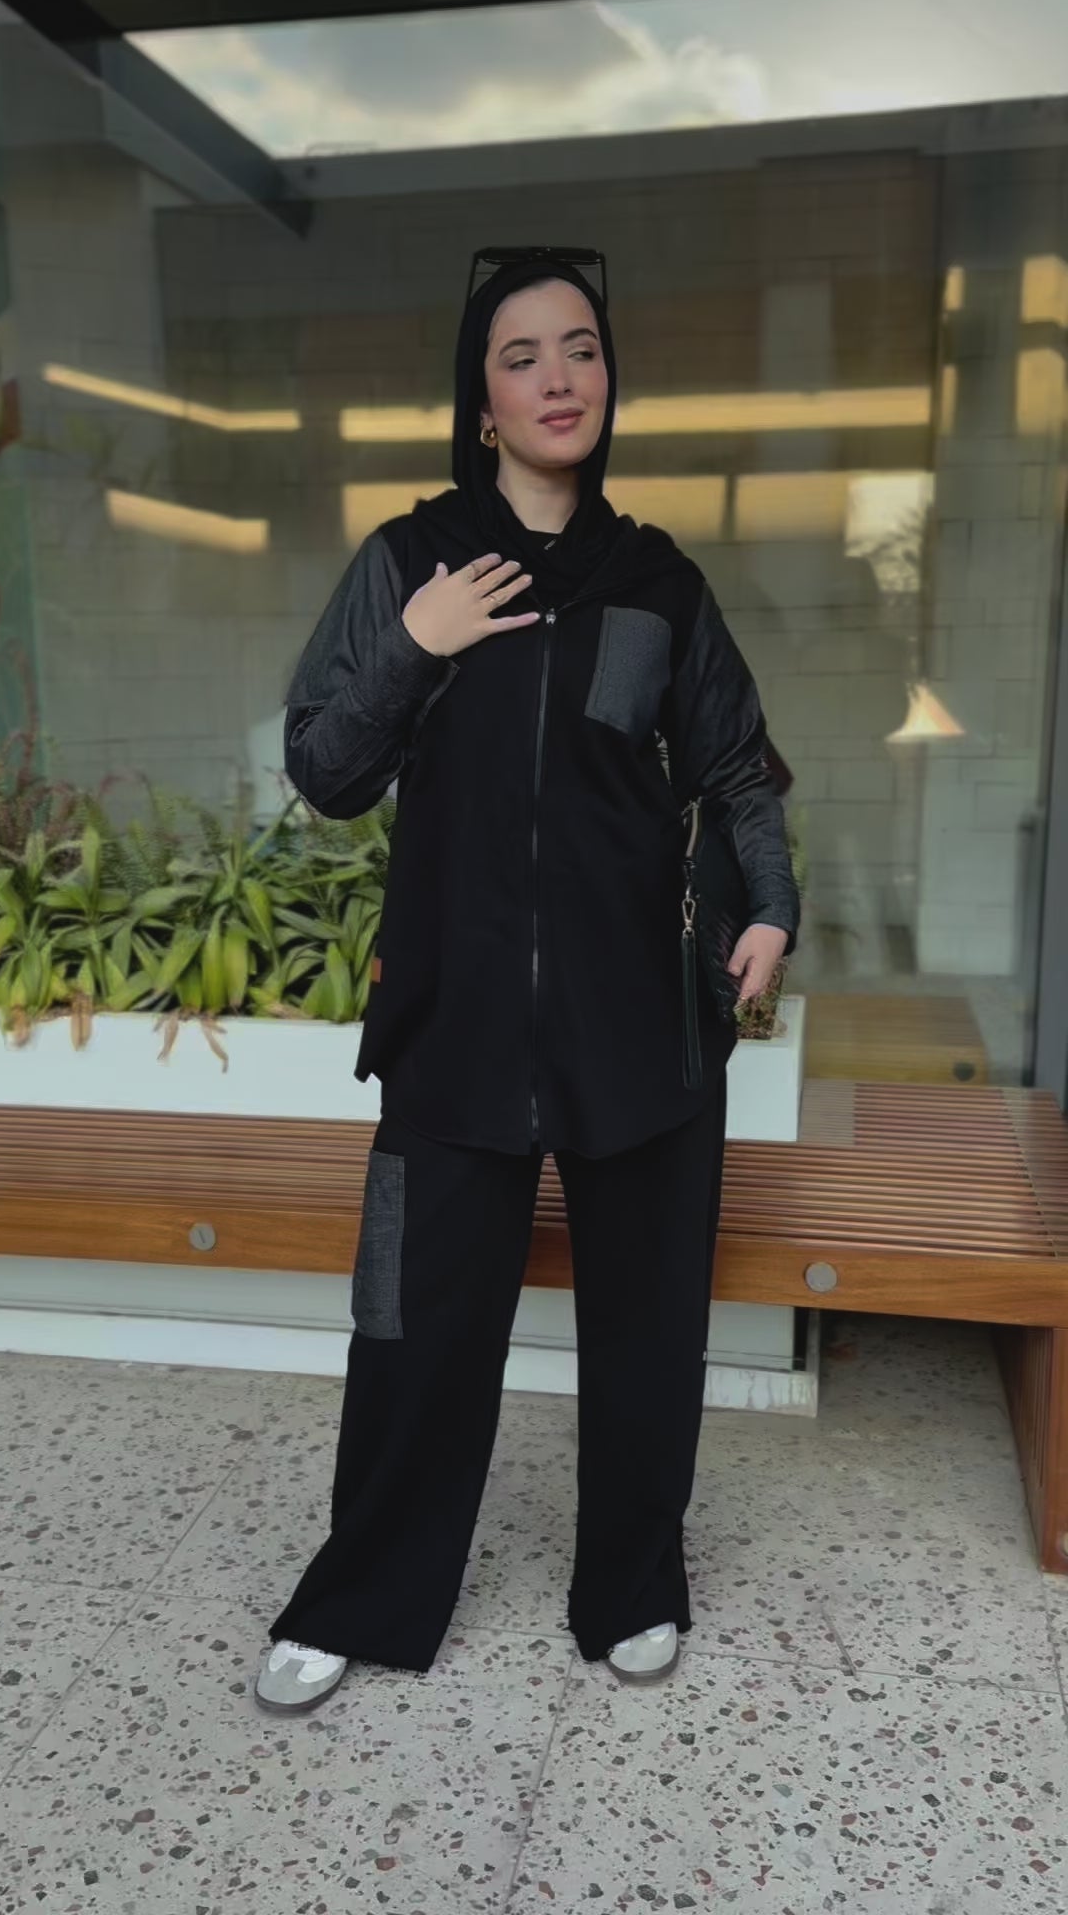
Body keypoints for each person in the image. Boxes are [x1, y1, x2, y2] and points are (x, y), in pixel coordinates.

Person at [254, 247, 799, 1715]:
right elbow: (323, 771)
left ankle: (633, 1584)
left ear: (610, 380)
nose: (559, 378)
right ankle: (362, 1594)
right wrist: (412, 650)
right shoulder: (410, 561)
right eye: (521, 356)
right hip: (454, 1021)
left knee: (647, 1332)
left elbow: (737, 769)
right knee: (411, 1331)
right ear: (481, 401)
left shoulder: (659, 583)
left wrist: (771, 910)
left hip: (642, 1026)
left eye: (582, 350)